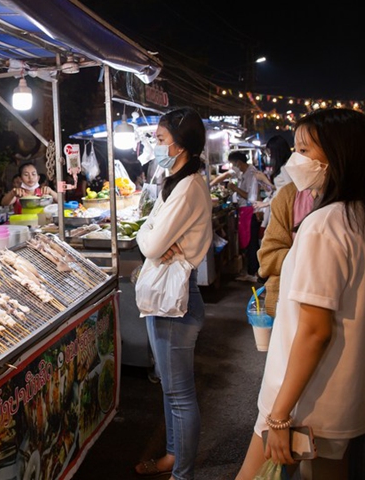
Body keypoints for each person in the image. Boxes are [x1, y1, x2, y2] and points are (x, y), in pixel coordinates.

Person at [236, 108, 365, 480]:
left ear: (338, 156)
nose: (297, 159)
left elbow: (314, 330)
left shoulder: (324, 225)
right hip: (344, 395)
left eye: (306, 150)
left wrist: (278, 416)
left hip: (305, 398)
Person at [133, 107, 212, 480]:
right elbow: (149, 231)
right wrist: (149, 236)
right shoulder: (175, 180)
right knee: (169, 387)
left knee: (180, 394)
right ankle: (170, 457)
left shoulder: (190, 186)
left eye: (161, 140)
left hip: (176, 302)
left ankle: (182, 473)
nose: (157, 145)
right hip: (166, 297)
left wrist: (149, 238)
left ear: (181, 146)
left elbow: (149, 245)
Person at [226, 151, 264, 283]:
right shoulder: (246, 173)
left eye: (233, 164)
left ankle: (253, 272)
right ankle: (251, 271)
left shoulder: (252, 174)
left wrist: (235, 188)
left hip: (250, 211)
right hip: (246, 210)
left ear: (238, 162)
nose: (233, 166)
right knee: (249, 242)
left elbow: (250, 196)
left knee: (251, 242)